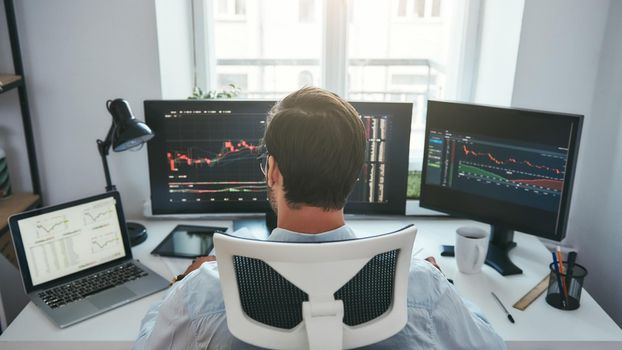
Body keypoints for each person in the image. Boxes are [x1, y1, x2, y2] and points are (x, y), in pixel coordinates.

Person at [134, 87, 506, 349]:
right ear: (356, 173)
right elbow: (492, 346)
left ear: (273, 171)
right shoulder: (421, 285)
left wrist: (181, 285)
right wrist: (443, 284)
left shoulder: (204, 291)